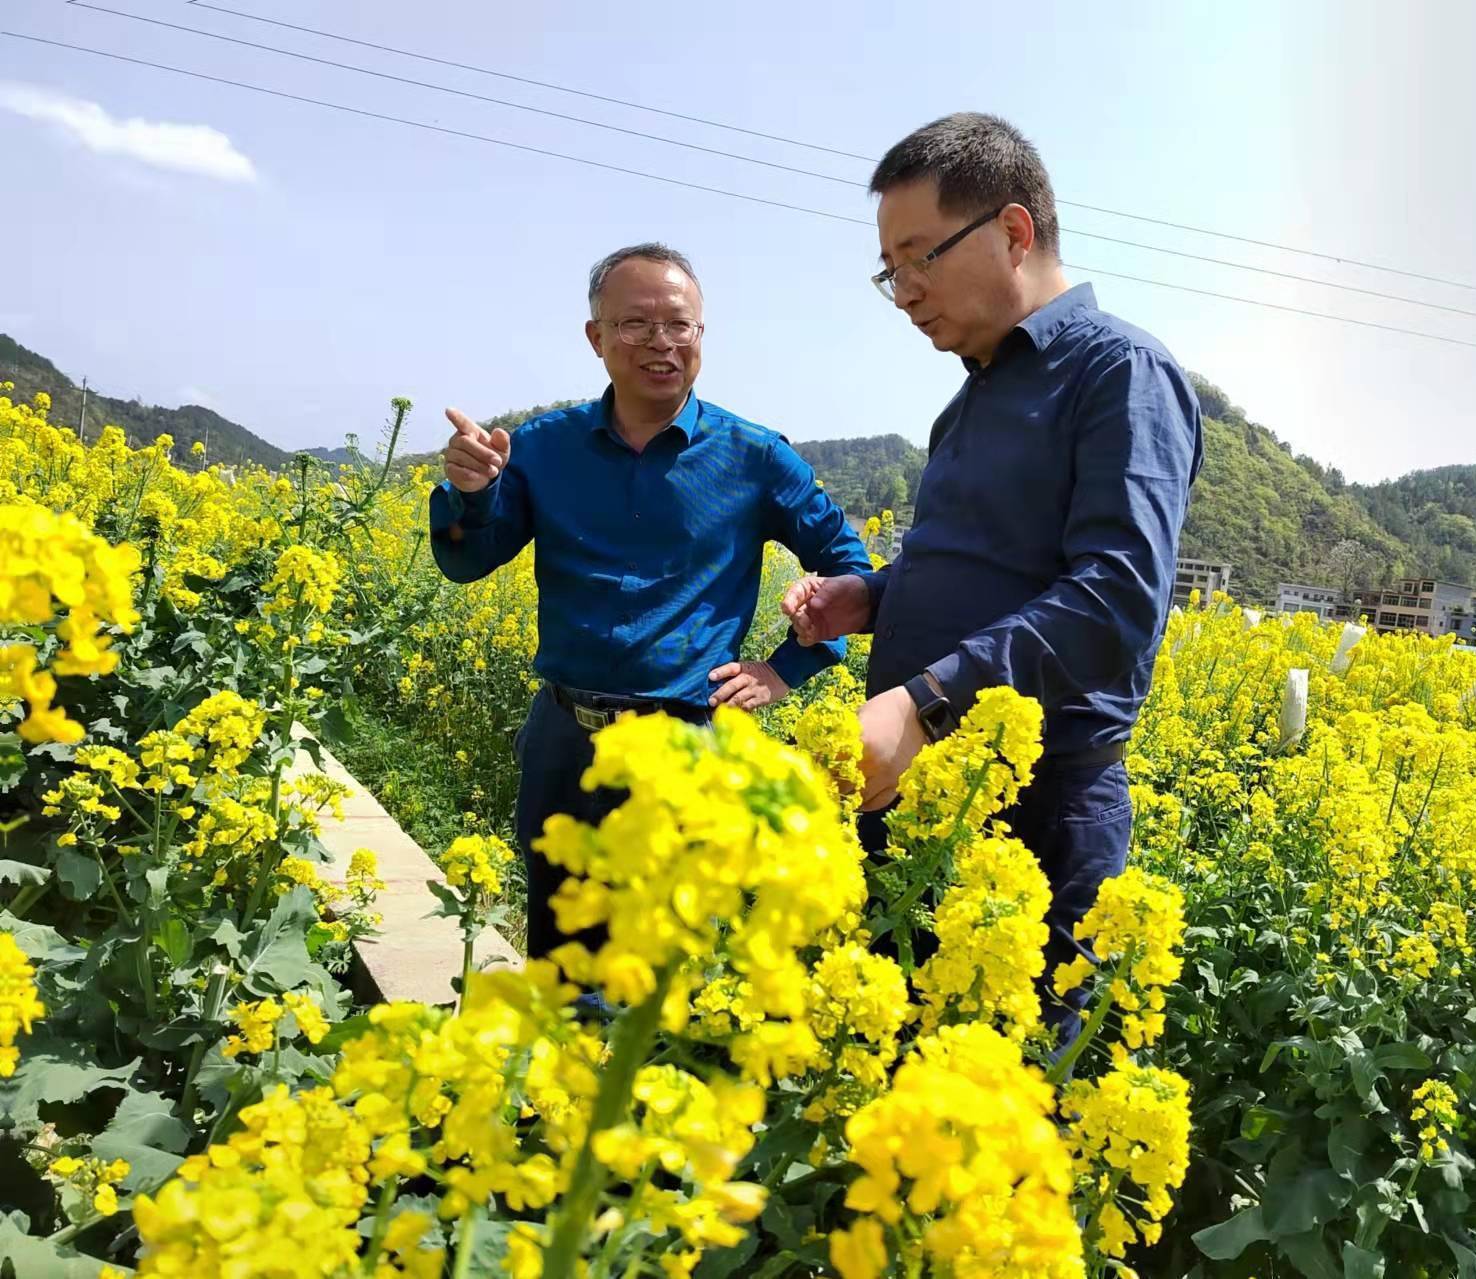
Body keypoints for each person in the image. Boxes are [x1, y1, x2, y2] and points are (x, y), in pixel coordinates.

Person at [784, 114, 1203, 1046]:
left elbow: (1118, 596)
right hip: (921, 788)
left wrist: (927, 702)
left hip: (1035, 811)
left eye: (918, 258)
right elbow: (991, 561)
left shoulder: (1119, 375)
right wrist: (876, 595)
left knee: (1006, 1113)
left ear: (1014, 233)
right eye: (889, 271)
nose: (904, 293)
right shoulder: (968, 397)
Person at [431, 242, 870, 963]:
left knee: (668, 975)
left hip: (689, 742)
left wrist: (787, 667)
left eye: (680, 325)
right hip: (566, 740)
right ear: (596, 337)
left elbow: (850, 567)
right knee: (561, 956)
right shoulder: (541, 448)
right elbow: (467, 559)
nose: (661, 342)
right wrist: (471, 495)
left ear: (703, 336)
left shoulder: (755, 456)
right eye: (635, 323)